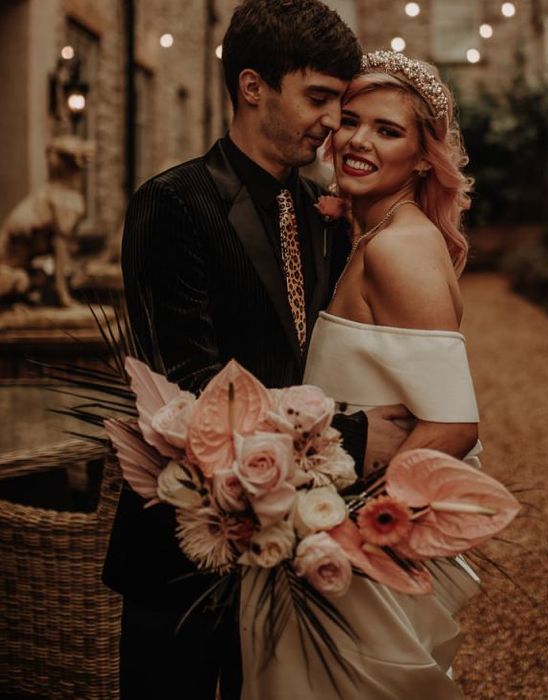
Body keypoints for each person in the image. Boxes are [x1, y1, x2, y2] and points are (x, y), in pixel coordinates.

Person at [107, 3, 408, 699]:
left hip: (296, 545)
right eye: (319, 97)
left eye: (341, 99)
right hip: (185, 546)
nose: (334, 120)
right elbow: (194, 392)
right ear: (252, 86)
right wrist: (358, 435)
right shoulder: (174, 203)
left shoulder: (321, 212)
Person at [239, 50, 481, 699]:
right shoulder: (367, 235)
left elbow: (454, 424)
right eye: (350, 121)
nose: (358, 142)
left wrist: (349, 530)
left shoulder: (401, 248)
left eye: (388, 130)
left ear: (425, 156)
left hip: (357, 539)